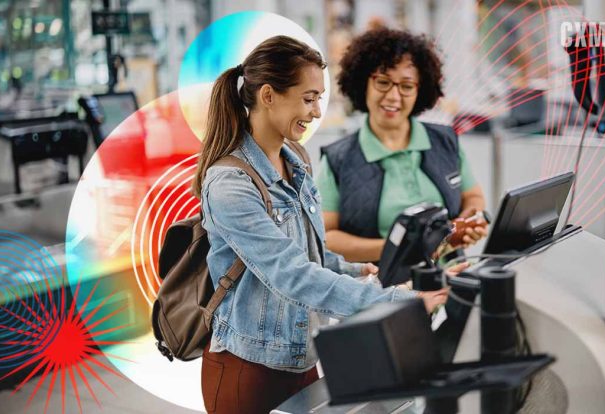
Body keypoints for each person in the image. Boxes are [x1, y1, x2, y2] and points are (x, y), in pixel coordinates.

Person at [192, 35, 448, 414]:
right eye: (309, 98)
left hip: (304, 358)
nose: (315, 112)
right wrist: (398, 301)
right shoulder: (230, 184)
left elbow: (311, 253)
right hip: (246, 368)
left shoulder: (296, 160)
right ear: (268, 95)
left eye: (319, 100)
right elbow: (292, 274)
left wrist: (358, 270)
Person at [317, 28, 489, 263]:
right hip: (381, 291)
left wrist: (469, 222)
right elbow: (326, 237)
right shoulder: (338, 160)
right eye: (383, 82)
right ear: (363, 83)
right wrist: (400, 248)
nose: (393, 97)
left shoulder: (445, 142)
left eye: (406, 86)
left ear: (420, 90)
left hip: (451, 282)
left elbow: (473, 197)